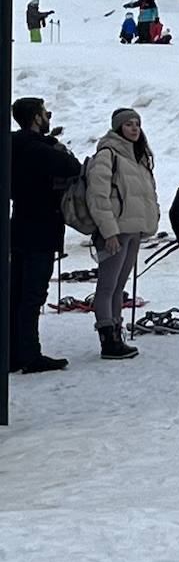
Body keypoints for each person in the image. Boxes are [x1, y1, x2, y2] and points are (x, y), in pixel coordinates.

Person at [9, 97, 81, 373]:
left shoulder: (14, 145)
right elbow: (73, 168)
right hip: (40, 228)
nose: (48, 117)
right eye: (45, 113)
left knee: (17, 292)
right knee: (33, 295)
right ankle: (29, 354)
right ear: (37, 119)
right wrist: (54, 145)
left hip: (20, 225)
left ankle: (13, 352)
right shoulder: (40, 148)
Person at [87, 108, 160, 360]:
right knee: (107, 286)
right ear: (118, 128)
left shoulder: (137, 157)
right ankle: (108, 338)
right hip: (115, 232)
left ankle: (116, 334)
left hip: (132, 230)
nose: (134, 128)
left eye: (137, 124)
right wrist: (109, 231)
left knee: (119, 286)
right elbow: (98, 197)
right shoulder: (107, 155)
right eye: (128, 124)